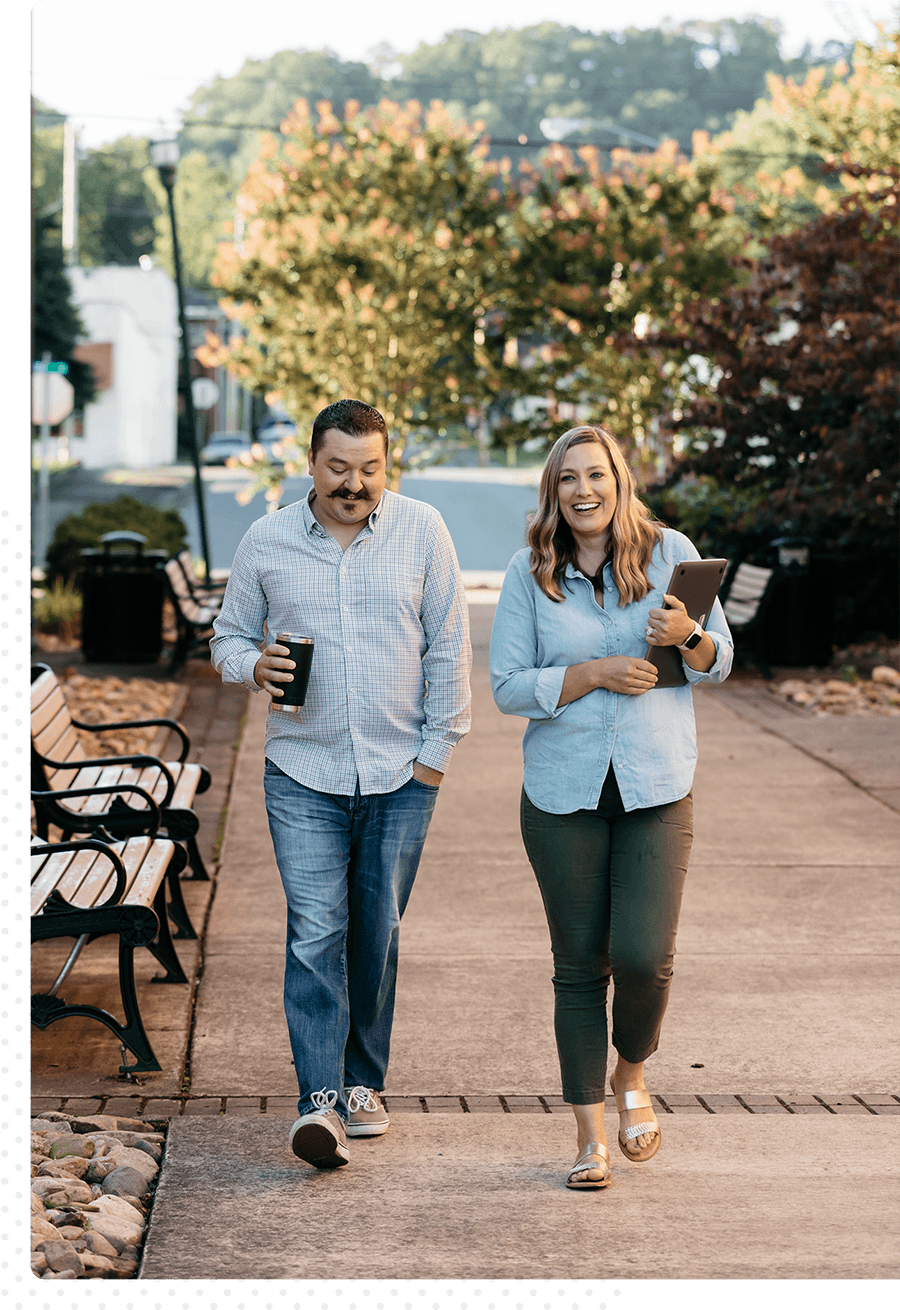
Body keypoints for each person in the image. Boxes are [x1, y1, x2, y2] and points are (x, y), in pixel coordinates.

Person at [211, 398, 471, 1170]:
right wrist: (252, 665)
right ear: (311, 463)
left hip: (401, 773)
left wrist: (435, 756)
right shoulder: (267, 540)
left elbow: (449, 646)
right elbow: (227, 637)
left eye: (369, 470)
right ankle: (318, 1099)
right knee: (315, 931)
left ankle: (365, 1083)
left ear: (385, 465)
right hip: (302, 770)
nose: (354, 484)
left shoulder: (423, 531)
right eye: (338, 469)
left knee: (378, 932)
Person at [489, 424, 732, 1190]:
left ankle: (632, 1074)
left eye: (595, 475)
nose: (583, 491)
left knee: (642, 958)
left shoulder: (670, 553)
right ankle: (589, 1138)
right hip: (562, 796)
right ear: (552, 492)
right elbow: (505, 686)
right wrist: (588, 672)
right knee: (577, 967)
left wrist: (689, 634)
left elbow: (718, 663)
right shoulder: (530, 572)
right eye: (568, 479)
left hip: (657, 785)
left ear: (618, 482)